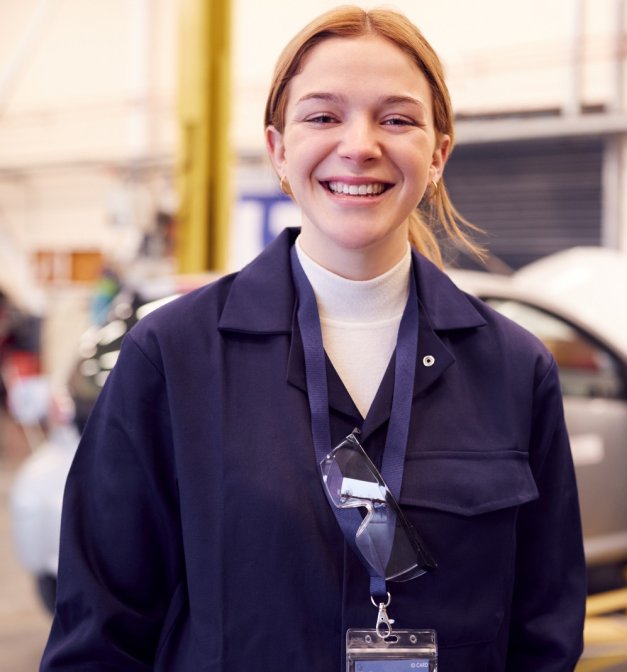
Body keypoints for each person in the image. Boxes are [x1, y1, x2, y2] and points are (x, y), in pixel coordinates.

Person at [42, 7, 586, 670]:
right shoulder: (173, 358)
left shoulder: (513, 369)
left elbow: (544, 631)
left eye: (396, 118)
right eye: (323, 116)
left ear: (438, 152)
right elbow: (101, 630)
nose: (359, 144)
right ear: (277, 149)